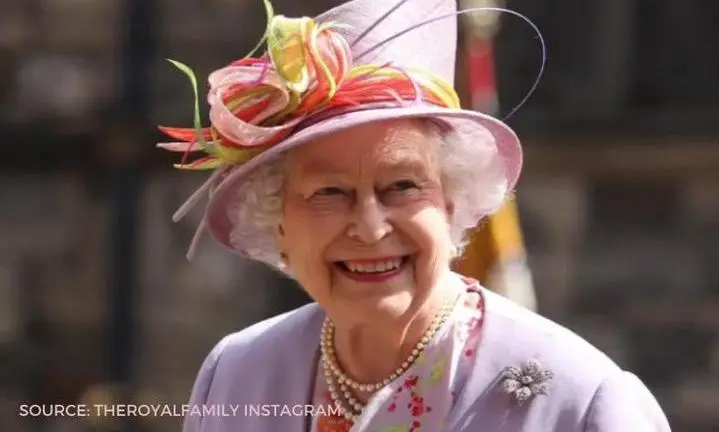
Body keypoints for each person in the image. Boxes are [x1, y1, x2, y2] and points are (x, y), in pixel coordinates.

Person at [158, 0, 671, 430]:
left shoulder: (579, 402)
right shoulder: (235, 375)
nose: (371, 226)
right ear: (279, 222)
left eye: (402, 186)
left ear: (451, 202)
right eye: (330, 192)